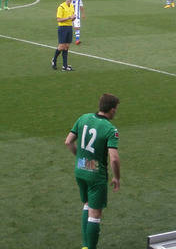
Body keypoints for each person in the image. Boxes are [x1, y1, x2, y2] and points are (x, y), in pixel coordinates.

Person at [64, 93, 121, 249]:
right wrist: (117, 178)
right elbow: (114, 159)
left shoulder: (83, 118)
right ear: (111, 109)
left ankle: (85, 245)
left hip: (80, 171)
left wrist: (81, 159)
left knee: (87, 204)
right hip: (96, 176)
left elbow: (68, 142)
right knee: (95, 215)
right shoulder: (110, 129)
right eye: (116, 109)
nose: (116, 111)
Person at [52, 0, 76, 71]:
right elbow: (58, 19)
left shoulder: (72, 6)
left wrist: (73, 18)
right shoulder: (61, 7)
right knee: (61, 46)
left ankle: (65, 66)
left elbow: (71, 18)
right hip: (62, 28)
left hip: (69, 27)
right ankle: (54, 60)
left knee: (67, 47)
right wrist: (69, 17)